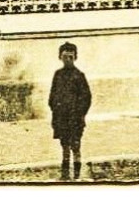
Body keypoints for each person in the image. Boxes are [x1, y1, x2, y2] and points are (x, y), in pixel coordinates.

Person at [48, 41, 92, 180]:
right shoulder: (58, 75)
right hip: (62, 118)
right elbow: (52, 96)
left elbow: (86, 98)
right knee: (65, 147)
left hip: (75, 119)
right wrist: (56, 109)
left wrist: (79, 113)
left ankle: (77, 176)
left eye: (71, 57)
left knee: (76, 147)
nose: (67, 60)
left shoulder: (79, 75)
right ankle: (65, 176)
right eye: (65, 56)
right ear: (60, 57)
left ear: (75, 58)